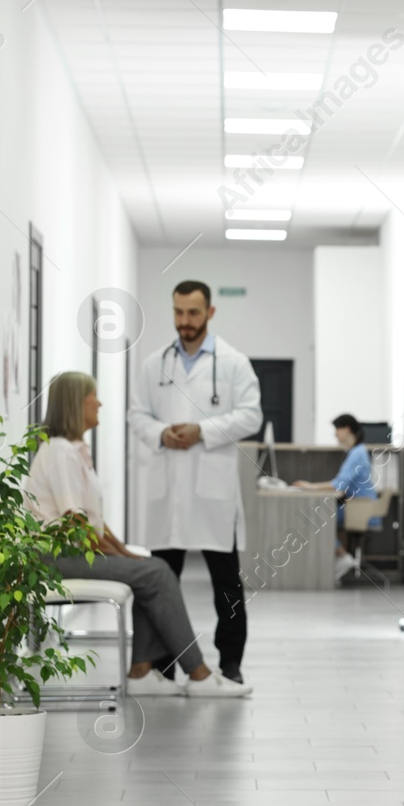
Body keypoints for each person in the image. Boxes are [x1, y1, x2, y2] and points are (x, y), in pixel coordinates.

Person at [25, 371, 251, 698]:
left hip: (70, 554)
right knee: (156, 573)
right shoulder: (59, 452)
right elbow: (75, 524)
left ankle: (142, 671)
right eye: (93, 396)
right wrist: (121, 555)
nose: (99, 403)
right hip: (54, 560)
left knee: (151, 565)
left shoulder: (73, 451)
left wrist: (127, 554)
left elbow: (95, 523)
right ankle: (199, 675)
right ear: (76, 403)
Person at [128, 280, 263, 685]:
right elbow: (137, 415)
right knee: (161, 581)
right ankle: (163, 662)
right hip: (167, 487)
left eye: (193, 313)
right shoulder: (155, 364)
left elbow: (251, 416)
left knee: (226, 584)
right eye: (178, 312)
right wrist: (161, 434)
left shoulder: (234, 363)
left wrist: (202, 430)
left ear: (210, 313)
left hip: (211, 490)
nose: (184, 322)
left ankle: (231, 662)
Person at [292, 413, 378, 576]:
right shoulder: (355, 451)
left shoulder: (357, 453)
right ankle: (339, 557)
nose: (335, 434)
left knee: (316, 517)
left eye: (337, 429)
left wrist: (309, 487)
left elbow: (338, 485)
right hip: (358, 506)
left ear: (347, 429)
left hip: (361, 509)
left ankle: (342, 556)